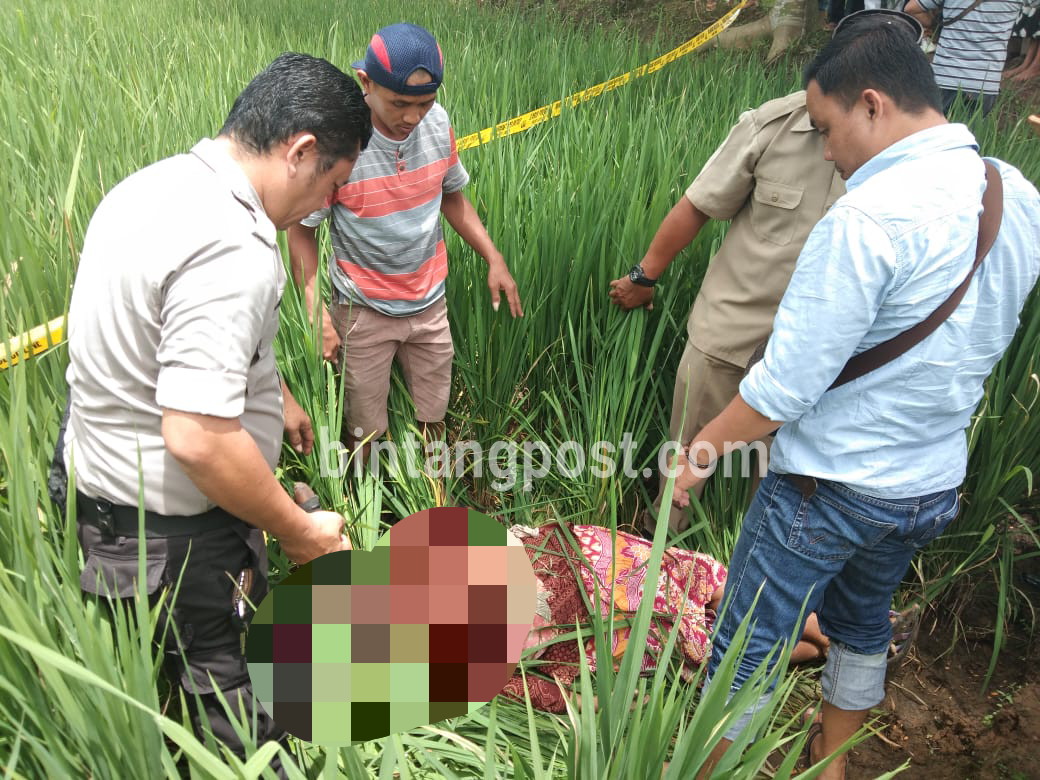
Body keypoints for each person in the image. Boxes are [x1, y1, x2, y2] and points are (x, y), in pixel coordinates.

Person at [668, 13, 1040, 779]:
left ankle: (712, 770)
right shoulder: (1015, 193)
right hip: (929, 485)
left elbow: (783, 387)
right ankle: (832, 765)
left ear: (872, 105)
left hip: (826, 485)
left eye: (827, 128)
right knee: (864, 624)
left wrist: (700, 453)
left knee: (749, 641)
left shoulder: (866, 217)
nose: (830, 154)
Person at [61, 53, 369, 771]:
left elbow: (166, 338)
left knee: (156, 676)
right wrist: (300, 532)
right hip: (175, 537)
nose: (325, 204)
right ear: (300, 151)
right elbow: (197, 437)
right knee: (235, 717)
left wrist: (276, 394)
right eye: (333, 182)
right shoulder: (235, 247)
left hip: (100, 487)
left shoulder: (155, 185)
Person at [608, 91, 844, 533]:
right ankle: (659, 561)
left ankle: (744, 574)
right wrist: (644, 277)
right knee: (683, 469)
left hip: (814, 360)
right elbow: (699, 204)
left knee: (777, 485)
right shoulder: (771, 126)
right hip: (729, 334)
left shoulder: (900, 159)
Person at [287, 23, 523, 453]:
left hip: (429, 303)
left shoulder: (437, 124)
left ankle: (429, 494)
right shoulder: (339, 143)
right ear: (366, 83)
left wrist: (494, 258)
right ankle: (370, 505)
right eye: (399, 103)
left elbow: (451, 195)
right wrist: (314, 311)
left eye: (425, 103)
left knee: (434, 413)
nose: (413, 117)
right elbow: (301, 230)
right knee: (365, 432)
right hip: (363, 311)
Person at [499, 522, 830, 713]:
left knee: (700, 580)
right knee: (708, 653)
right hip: (582, 637)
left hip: (579, 560)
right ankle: (820, 648)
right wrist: (606, 702)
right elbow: (526, 688)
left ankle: (831, 638)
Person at [904, 0, 1023, 117]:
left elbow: (912, 8)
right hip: (984, 83)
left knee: (940, 134)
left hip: (946, 77)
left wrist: (935, 24)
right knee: (971, 135)